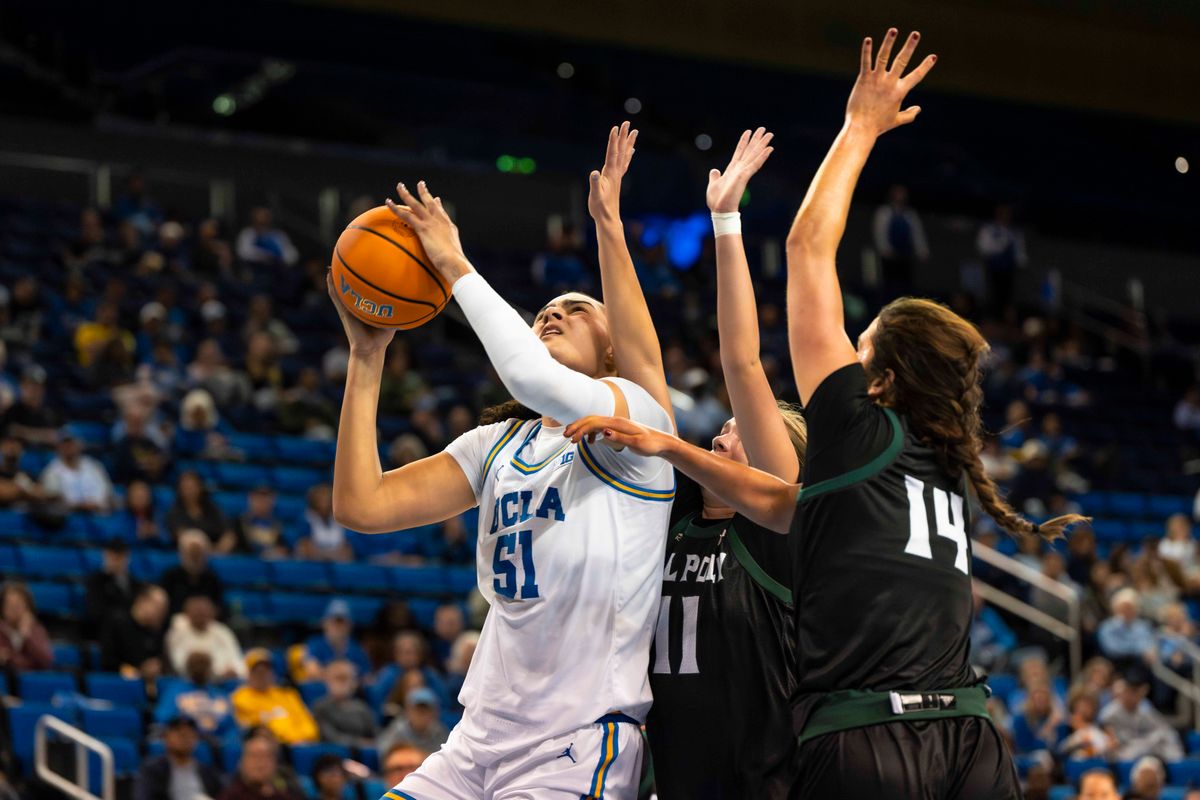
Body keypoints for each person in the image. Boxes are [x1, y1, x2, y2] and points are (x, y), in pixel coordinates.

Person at [566, 32, 1088, 798]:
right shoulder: (937, 461)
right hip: (969, 734)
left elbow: (804, 258)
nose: (846, 348)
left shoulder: (857, 436)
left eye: (860, 342)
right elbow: (780, 489)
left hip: (870, 738)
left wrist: (860, 127)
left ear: (882, 376)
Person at [331, 148, 674, 797]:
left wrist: (454, 262)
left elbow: (527, 376)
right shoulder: (498, 444)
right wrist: (366, 356)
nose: (552, 313)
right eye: (544, 310)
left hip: (575, 742)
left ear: (613, 350)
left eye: (577, 309)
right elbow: (361, 505)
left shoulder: (634, 423)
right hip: (476, 739)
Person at [611, 127, 805, 798]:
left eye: (741, 432)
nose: (723, 436)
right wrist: (609, 226)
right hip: (668, 769)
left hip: (765, 775)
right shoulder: (671, 517)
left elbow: (741, 360)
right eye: (721, 428)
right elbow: (639, 364)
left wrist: (726, 222)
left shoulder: (778, 530)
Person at [231, 649, 319, 745]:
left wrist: (305, 738)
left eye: (266, 670)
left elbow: (307, 722)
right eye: (258, 671)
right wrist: (291, 740)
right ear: (249, 674)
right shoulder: (240, 698)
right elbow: (258, 730)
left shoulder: (287, 694)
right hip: (274, 746)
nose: (262, 675)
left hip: (304, 744)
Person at [133, 716, 224, 800]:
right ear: (166, 737)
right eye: (179, 734)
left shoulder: (207, 772)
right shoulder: (153, 770)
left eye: (189, 734)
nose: (185, 738)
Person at [154, 651, 237, 741]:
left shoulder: (219, 694)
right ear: (188, 668)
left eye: (204, 665)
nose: (200, 669)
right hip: (187, 739)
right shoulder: (175, 691)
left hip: (217, 739)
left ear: (210, 668)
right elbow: (162, 717)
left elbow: (231, 725)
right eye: (196, 665)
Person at [165, 594, 246, 680]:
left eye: (204, 611)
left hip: (222, 681)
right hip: (187, 681)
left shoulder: (222, 631)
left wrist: (234, 670)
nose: (201, 614)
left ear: (213, 612)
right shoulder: (178, 632)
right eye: (197, 611)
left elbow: (237, 659)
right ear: (187, 612)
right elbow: (177, 664)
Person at [100, 584, 168, 683]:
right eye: (158, 608)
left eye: (164, 611)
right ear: (142, 601)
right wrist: (138, 671)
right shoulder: (117, 622)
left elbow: (158, 661)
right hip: (118, 682)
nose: (161, 614)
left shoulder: (155, 631)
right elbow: (108, 662)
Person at [40, 426, 115, 513]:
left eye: (71, 443)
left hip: (100, 514)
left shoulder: (94, 466)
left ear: (79, 445)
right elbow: (53, 499)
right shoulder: (51, 471)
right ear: (58, 447)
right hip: (70, 517)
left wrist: (97, 504)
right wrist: (81, 506)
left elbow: (108, 493)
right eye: (64, 444)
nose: (68, 447)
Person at [872, 184, 928, 297]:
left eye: (902, 194)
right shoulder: (884, 212)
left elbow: (917, 234)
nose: (900, 196)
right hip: (889, 255)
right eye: (898, 193)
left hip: (906, 253)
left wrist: (922, 250)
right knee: (890, 283)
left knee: (906, 283)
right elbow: (880, 232)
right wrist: (884, 248)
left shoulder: (910, 214)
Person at [218, 731, 303, 800]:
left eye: (266, 756)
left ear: (275, 763)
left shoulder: (287, 795)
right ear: (241, 763)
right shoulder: (230, 796)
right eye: (254, 756)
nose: (260, 763)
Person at [166, 471, 237, 553]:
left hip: (216, 553)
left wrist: (218, 551)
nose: (190, 491)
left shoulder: (212, 509)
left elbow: (229, 534)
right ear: (179, 489)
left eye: (192, 487)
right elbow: (182, 536)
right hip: (188, 554)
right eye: (186, 487)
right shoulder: (174, 512)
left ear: (200, 487)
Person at [312, 658, 377, 747]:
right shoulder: (320, 707)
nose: (341, 683)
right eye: (338, 678)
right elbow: (330, 737)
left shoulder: (361, 707)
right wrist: (360, 743)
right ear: (327, 680)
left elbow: (376, 735)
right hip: (336, 752)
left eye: (346, 678)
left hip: (365, 751)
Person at [976, 205, 1027, 314]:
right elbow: (983, 248)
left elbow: (1019, 250)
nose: (1005, 217)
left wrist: (1021, 261)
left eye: (1007, 214)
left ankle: (1005, 316)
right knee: (993, 295)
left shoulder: (1014, 231)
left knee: (1008, 296)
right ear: (997, 215)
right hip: (993, 267)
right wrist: (1002, 245)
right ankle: (992, 315)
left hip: (1010, 269)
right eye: (1003, 214)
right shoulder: (989, 229)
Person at [302, 599, 371, 679]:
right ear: (325, 623)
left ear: (350, 625)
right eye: (334, 622)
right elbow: (312, 670)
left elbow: (367, 677)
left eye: (342, 622)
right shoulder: (315, 644)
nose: (338, 627)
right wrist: (342, 672)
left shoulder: (356, 649)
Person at [161, 530, 225, 615]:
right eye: (192, 552)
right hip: (179, 617)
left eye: (198, 553)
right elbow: (165, 605)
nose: (195, 557)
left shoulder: (211, 577)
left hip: (206, 619)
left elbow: (219, 605)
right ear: (183, 553)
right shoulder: (171, 576)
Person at [84, 539, 144, 631]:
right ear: (105, 556)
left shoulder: (134, 581)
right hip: (106, 629)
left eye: (120, 557)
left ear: (127, 558)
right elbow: (95, 612)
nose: (116, 562)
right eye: (113, 557)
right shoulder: (96, 581)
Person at [376, 687, 450, 756]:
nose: (421, 715)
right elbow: (383, 752)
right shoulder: (398, 729)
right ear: (408, 711)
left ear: (434, 713)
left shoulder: (440, 731)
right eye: (417, 710)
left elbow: (446, 757)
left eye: (425, 711)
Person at [0, 365, 60, 446]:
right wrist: (43, 435)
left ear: (43, 389)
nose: (33, 390)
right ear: (22, 386)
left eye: (37, 386)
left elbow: (55, 437)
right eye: (28, 385)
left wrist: (22, 432)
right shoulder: (12, 411)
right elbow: (8, 434)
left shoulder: (50, 414)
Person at [0, 582, 53, 671]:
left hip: (34, 678)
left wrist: (26, 636)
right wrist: (30, 662)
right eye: (9, 605)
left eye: (18, 605)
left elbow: (46, 661)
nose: (14, 609)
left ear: (28, 607)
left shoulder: (36, 630)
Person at [1098, 587, 1155, 668]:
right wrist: (1137, 650)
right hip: (1117, 664)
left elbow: (1148, 645)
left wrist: (1145, 651)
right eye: (1124, 608)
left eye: (1131, 608)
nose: (1128, 611)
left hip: (1141, 664)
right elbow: (1111, 649)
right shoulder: (1107, 627)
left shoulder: (1143, 626)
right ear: (1116, 609)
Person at [296, 484, 352, 562]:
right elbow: (306, 550)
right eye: (321, 499)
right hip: (313, 564)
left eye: (327, 499)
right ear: (314, 500)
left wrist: (329, 556)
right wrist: (329, 556)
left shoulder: (339, 518)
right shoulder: (307, 519)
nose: (324, 502)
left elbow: (346, 550)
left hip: (336, 563)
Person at [235, 485, 288, 558]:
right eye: (258, 499)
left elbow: (283, 549)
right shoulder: (239, 523)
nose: (262, 503)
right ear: (250, 499)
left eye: (265, 500)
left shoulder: (276, 525)